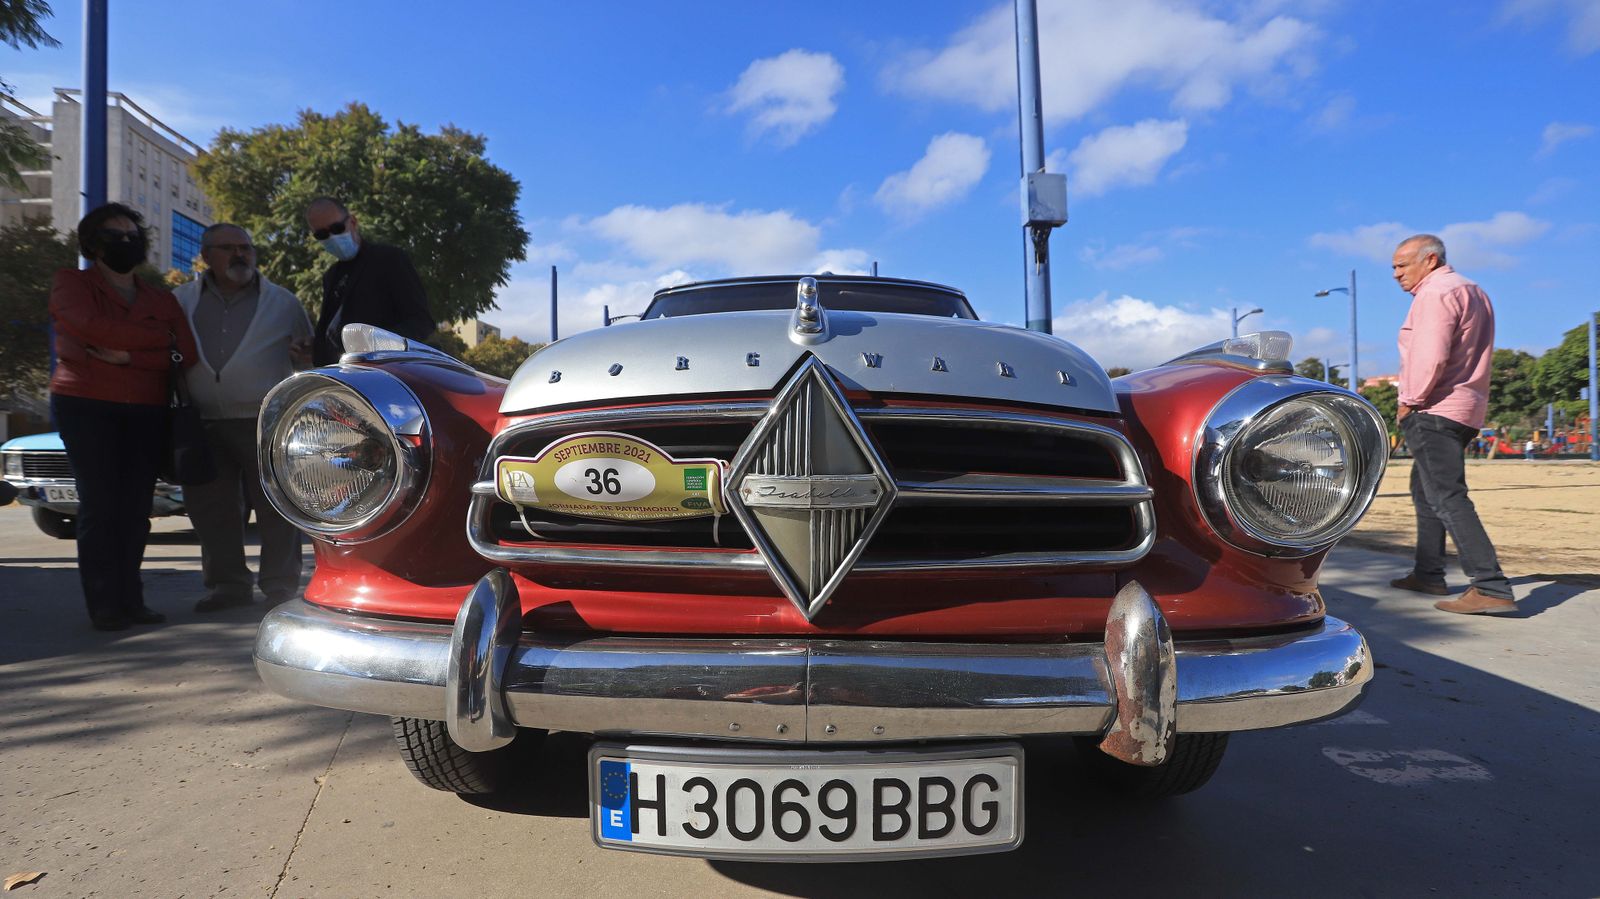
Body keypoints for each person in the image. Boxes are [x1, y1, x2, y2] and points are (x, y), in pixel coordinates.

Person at [48, 203, 199, 631]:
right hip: (86, 405)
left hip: (147, 410)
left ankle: (132, 599)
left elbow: (183, 352)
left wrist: (129, 356)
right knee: (99, 505)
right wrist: (156, 341)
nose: (126, 242)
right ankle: (105, 605)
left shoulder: (160, 297)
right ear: (92, 243)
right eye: (114, 235)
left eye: (133, 234)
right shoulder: (70, 283)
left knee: (134, 510)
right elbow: (88, 327)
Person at [173, 224, 312, 612]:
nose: (240, 255)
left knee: (277, 508)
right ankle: (227, 585)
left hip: (265, 419)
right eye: (229, 248)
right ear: (205, 256)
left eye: (246, 247)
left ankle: (280, 586)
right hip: (202, 421)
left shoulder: (283, 302)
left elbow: (307, 357)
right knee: (211, 509)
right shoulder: (179, 300)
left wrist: (304, 359)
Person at [1387, 234, 1517, 615]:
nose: (1395, 274)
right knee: (1425, 491)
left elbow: (1430, 355)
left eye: (1401, 265)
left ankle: (1491, 586)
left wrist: (1409, 401)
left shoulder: (1435, 293)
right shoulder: (1472, 290)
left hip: (1434, 409)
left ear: (1429, 260)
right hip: (1465, 409)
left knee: (1447, 497)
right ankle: (1427, 573)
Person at [303, 197, 435, 365]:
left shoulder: (389, 259)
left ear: (352, 221)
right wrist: (315, 347)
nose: (332, 237)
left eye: (337, 228)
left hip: (382, 373)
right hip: (340, 379)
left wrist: (374, 347)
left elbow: (421, 322)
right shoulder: (331, 276)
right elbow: (334, 331)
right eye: (322, 234)